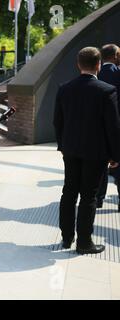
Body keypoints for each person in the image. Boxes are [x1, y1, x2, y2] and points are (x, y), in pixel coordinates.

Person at [53, 46, 120, 254]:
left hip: (71, 150)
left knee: (69, 192)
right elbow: (113, 126)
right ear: (98, 65)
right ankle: (84, 242)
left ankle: (66, 238)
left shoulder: (64, 88)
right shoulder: (107, 90)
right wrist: (115, 155)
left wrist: (63, 146)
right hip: (96, 152)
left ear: (78, 64)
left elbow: (58, 122)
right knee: (88, 197)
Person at [95, 44, 120, 209]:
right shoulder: (118, 73)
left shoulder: (95, 73)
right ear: (116, 55)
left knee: (100, 164)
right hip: (118, 124)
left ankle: (98, 199)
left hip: (98, 126)